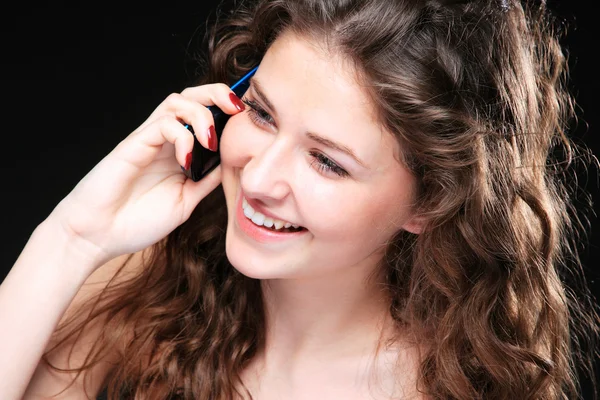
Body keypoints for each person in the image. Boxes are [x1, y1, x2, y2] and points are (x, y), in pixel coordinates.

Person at [1, 0, 599, 398]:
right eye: (260, 113)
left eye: (327, 161)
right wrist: (73, 238)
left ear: (431, 203)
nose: (259, 179)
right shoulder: (142, 289)